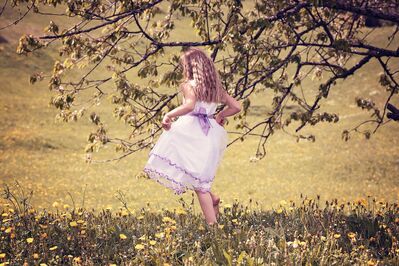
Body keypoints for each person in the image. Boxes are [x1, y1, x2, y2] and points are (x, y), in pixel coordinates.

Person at [143, 47, 241, 225]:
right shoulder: (215, 87)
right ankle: (213, 198)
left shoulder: (189, 85)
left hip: (192, 133)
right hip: (209, 135)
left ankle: (213, 228)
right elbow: (236, 107)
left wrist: (169, 115)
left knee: (199, 185)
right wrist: (219, 116)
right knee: (195, 173)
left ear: (190, 67)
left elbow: (189, 106)